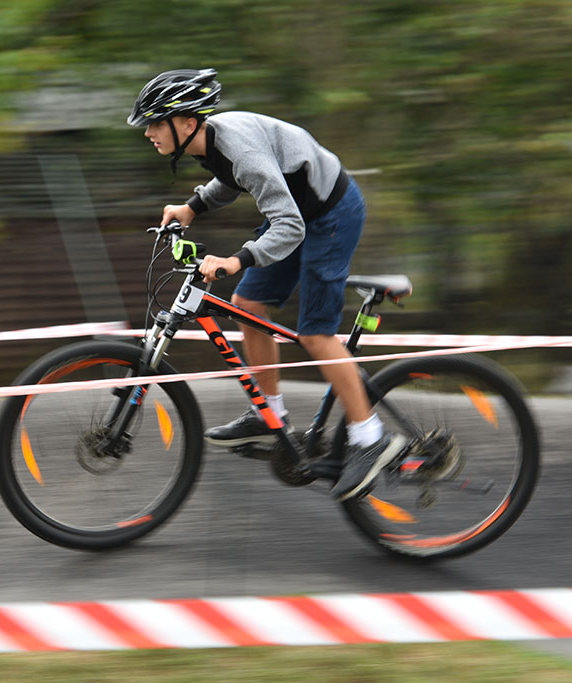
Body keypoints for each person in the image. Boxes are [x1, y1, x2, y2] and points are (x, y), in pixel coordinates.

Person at [127, 68, 406, 501]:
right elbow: (234, 179)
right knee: (249, 303)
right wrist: (192, 207)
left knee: (315, 334)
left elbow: (288, 224)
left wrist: (236, 259)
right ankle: (269, 415)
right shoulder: (213, 142)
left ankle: (371, 439)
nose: (148, 132)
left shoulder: (235, 144)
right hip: (297, 213)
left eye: (155, 122)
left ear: (186, 123)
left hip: (330, 215)